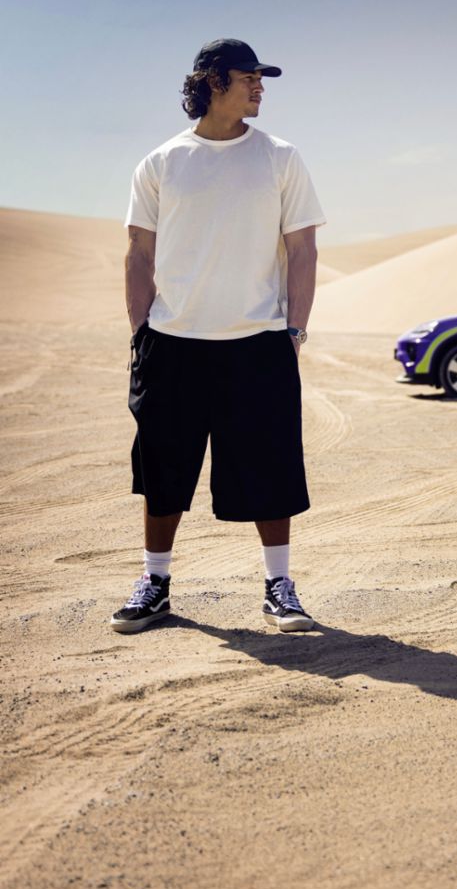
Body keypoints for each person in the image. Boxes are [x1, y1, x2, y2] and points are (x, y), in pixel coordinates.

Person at [111, 38, 325, 635]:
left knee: (271, 465)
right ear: (211, 80)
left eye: (262, 78)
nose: (259, 87)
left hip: (258, 342)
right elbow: (138, 252)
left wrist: (295, 330)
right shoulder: (162, 162)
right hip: (172, 343)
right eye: (248, 76)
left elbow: (303, 249)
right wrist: (141, 334)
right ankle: (155, 583)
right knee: (162, 468)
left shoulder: (280, 157)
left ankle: (279, 586)